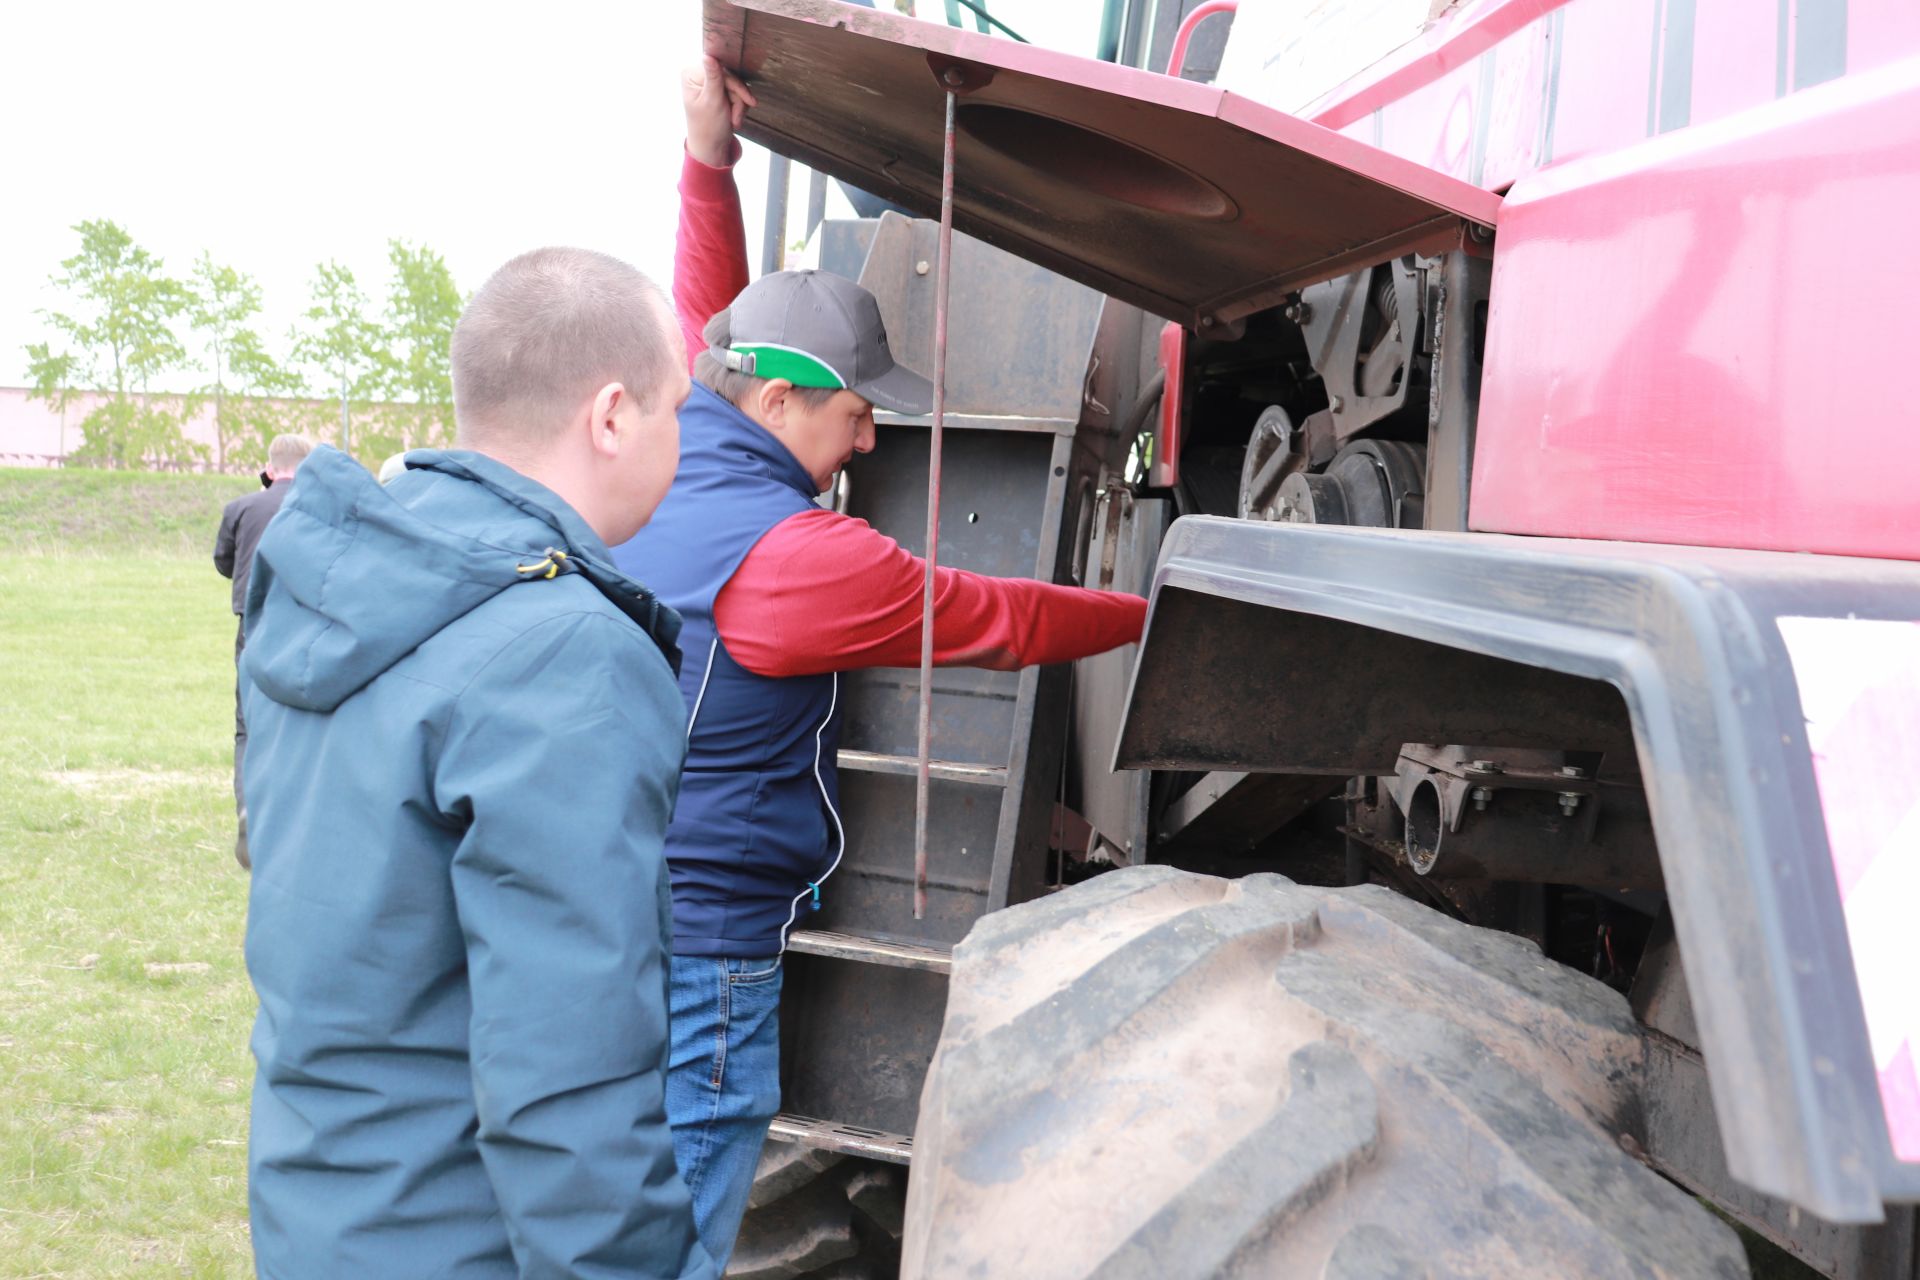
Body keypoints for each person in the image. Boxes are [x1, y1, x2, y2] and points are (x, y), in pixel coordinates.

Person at [609, 58, 1151, 1268]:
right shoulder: (801, 558)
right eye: (860, 408)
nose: (872, 432)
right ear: (791, 400)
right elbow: (1000, 617)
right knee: (685, 1213)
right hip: (712, 943)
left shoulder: (662, 447)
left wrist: (710, 161)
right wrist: (1154, 609)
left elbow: (719, 316)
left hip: (614, 908)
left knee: (612, 1195)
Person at [239, 248, 716, 1280]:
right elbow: (570, 1083)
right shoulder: (565, 653)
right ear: (612, 416)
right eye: (678, 407)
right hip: (461, 1242)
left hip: (320, 1213)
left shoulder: (342, 578)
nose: (684, 435)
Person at [213, 432, 313, 869]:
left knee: (247, 728)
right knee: (302, 724)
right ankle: (294, 821)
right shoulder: (316, 505)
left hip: (252, 628)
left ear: (269, 468)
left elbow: (224, 563)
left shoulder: (241, 508)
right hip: (304, 628)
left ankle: (249, 810)